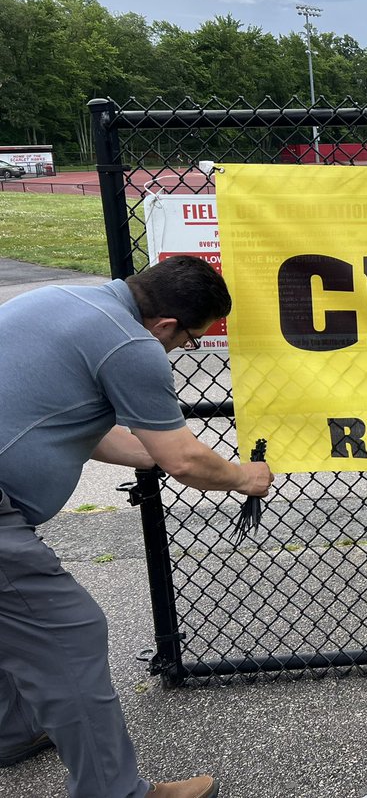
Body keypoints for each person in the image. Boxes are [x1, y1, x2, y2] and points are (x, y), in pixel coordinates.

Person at [0, 255, 273, 798]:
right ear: (167, 325)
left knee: (15, 622)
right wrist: (245, 476)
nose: (184, 349)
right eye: (191, 339)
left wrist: (154, 454)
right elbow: (187, 462)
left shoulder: (56, 301)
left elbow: (69, 422)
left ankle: (11, 733)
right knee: (66, 634)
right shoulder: (133, 345)